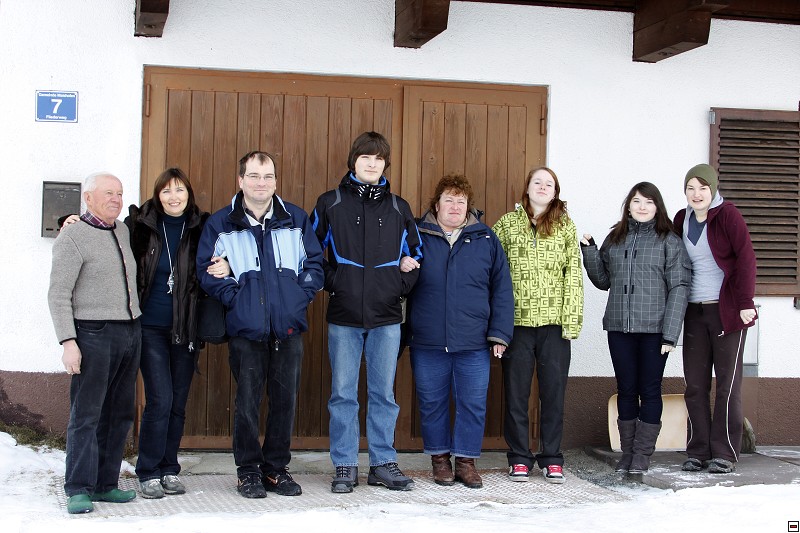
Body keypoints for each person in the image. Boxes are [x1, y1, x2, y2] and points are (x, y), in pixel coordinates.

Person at [197, 151, 324, 498]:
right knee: (247, 403)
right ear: (240, 180)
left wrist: (299, 297)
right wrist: (237, 298)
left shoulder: (296, 219)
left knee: (285, 402)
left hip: (288, 329)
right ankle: (248, 471)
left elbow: (314, 264)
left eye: (268, 176)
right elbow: (206, 270)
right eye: (253, 176)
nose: (261, 183)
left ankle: (276, 469)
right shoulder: (222, 223)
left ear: (276, 182)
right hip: (246, 329)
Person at [310, 131, 423, 493]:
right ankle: (344, 465)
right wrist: (336, 282)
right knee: (343, 394)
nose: (372, 164)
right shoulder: (330, 202)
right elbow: (309, 252)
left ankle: (382, 463)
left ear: (385, 164)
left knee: (383, 394)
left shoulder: (398, 207)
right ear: (353, 161)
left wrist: (396, 285)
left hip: (386, 317)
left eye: (378, 158)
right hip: (344, 315)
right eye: (365, 157)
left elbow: (417, 255)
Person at [124, 169, 229, 498]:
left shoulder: (202, 227)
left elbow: (231, 251)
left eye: (179, 190)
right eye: (166, 191)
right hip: (149, 327)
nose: (174, 197)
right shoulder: (139, 225)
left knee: (178, 403)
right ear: (158, 195)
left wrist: (226, 266)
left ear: (189, 193)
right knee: (160, 400)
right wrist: (71, 220)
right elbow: (106, 238)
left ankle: (169, 468)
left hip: (185, 329)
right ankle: (148, 471)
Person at [407, 174, 514, 489]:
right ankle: (440, 460)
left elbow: (502, 289)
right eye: (449, 200)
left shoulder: (485, 238)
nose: (455, 206)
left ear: (469, 206)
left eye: (461, 201)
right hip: (427, 338)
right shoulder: (417, 235)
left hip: (473, 340)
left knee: (472, 403)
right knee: (432, 402)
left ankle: (466, 462)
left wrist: (499, 334)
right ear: (436, 205)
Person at [47, 172, 142, 514]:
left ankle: (105, 484)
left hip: (130, 330)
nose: (116, 199)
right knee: (87, 414)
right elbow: (58, 293)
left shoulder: (122, 230)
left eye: (119, 193)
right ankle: (78, 488)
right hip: (92, 333)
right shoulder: (72, 235)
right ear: (88, 198)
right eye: (108, 193)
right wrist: (68, 341)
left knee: (119, 413)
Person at [580, 182, 691, 474]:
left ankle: (642, 455)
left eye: (649, 202)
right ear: (628, 205)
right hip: (620, 327)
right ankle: (627, 454)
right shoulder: (616, 238)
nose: (642, 207)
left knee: (650, 390)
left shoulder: (669, 241)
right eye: (637, 201)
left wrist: (670, 334)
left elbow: (679, 287)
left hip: (655, 331)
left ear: (657, 207)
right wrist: (589, 251)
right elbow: (604, 281)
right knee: (626, 389)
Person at [492, 166, 583, 484]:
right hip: (516, 323)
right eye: (537, 182)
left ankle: (552, 457)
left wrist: (571, 320)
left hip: (553, 324)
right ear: (527, 188)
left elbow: (573, 274)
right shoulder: (507, 224)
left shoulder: (565, 226)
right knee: (516, 394)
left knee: (553, 394)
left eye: (549, 184)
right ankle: (519, 457)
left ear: (555, 192)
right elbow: (492, 270)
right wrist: (495, 325)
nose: (543, 187)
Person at [674, 164, 757, 474]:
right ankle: (697, 450)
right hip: (694, 311)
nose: (697, 194)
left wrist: (745, 302)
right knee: (695, 385)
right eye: (691, 188)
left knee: (727, 384)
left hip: (727, 310)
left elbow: (746, 258)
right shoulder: (681, 219)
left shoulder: (727, 215)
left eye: (702, 188)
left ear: (713, 189)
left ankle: (724, 452)